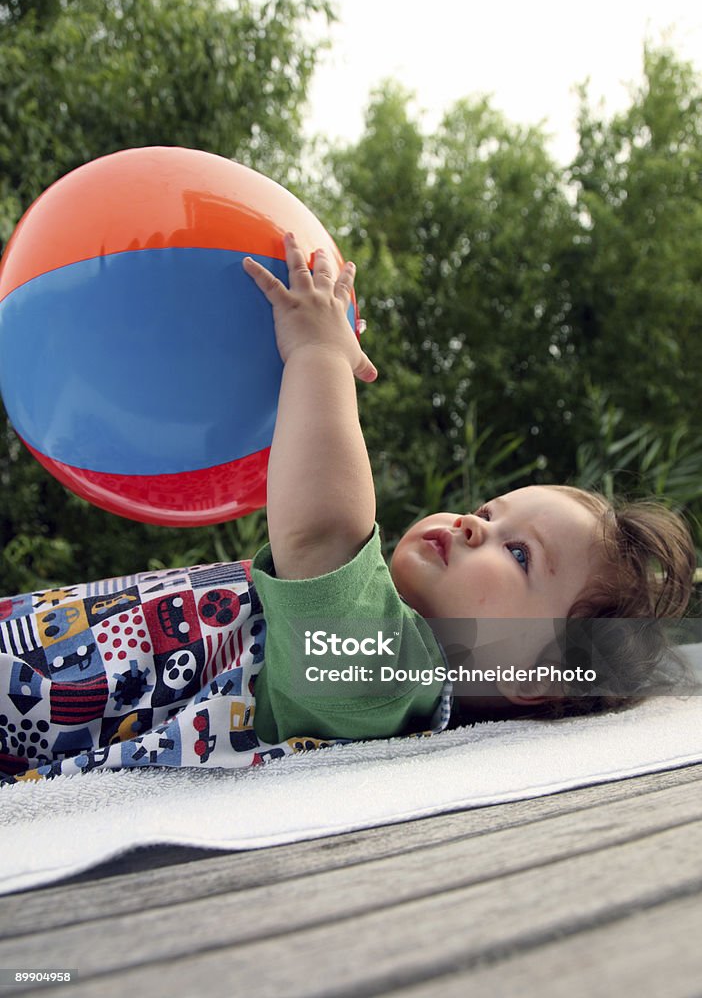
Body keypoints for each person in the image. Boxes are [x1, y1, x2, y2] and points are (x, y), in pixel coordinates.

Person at [0, 235, 696, 785]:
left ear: (536, 681)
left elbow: (323, 530)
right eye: (491, 510)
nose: (476, 524)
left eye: (518, 555)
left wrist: (317, 353)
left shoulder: (387, 678)